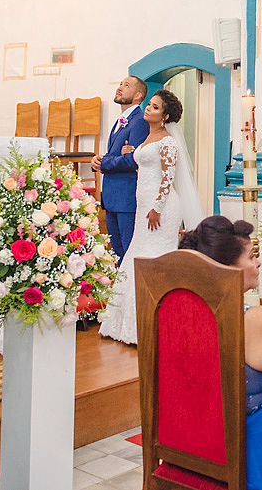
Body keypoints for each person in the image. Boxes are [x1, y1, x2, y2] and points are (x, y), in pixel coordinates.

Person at [179, 217, 262, 490]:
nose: (258, 263)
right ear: (228, 269)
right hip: (256, 446)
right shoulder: (256, 319)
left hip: (195, 436)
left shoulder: (179, 319)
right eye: (251, 256)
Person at [99, 89, 202, 345]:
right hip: (144, 206)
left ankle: (157, 323)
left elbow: (167, 177)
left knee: (155, 258)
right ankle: (127, 324)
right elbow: (142, 161)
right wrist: (129, 152)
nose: (148, 109)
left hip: (161, 209)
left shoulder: (168, 142)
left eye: (155, 107)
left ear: (165, 116)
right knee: (137, 256)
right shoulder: (147, 140)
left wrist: (157, 207)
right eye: (150, 105)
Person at [91, 76, 149, 259]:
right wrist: (99, 160)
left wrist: (104, 163)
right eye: (120, 84)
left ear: (138, 95)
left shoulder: (139, 120)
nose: (120, 88)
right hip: (112, 197)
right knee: (117, 252)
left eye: (126, 85)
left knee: (127, 250)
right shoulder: (121, 121)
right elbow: (117, 155)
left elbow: (132, 160)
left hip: (125, 197)